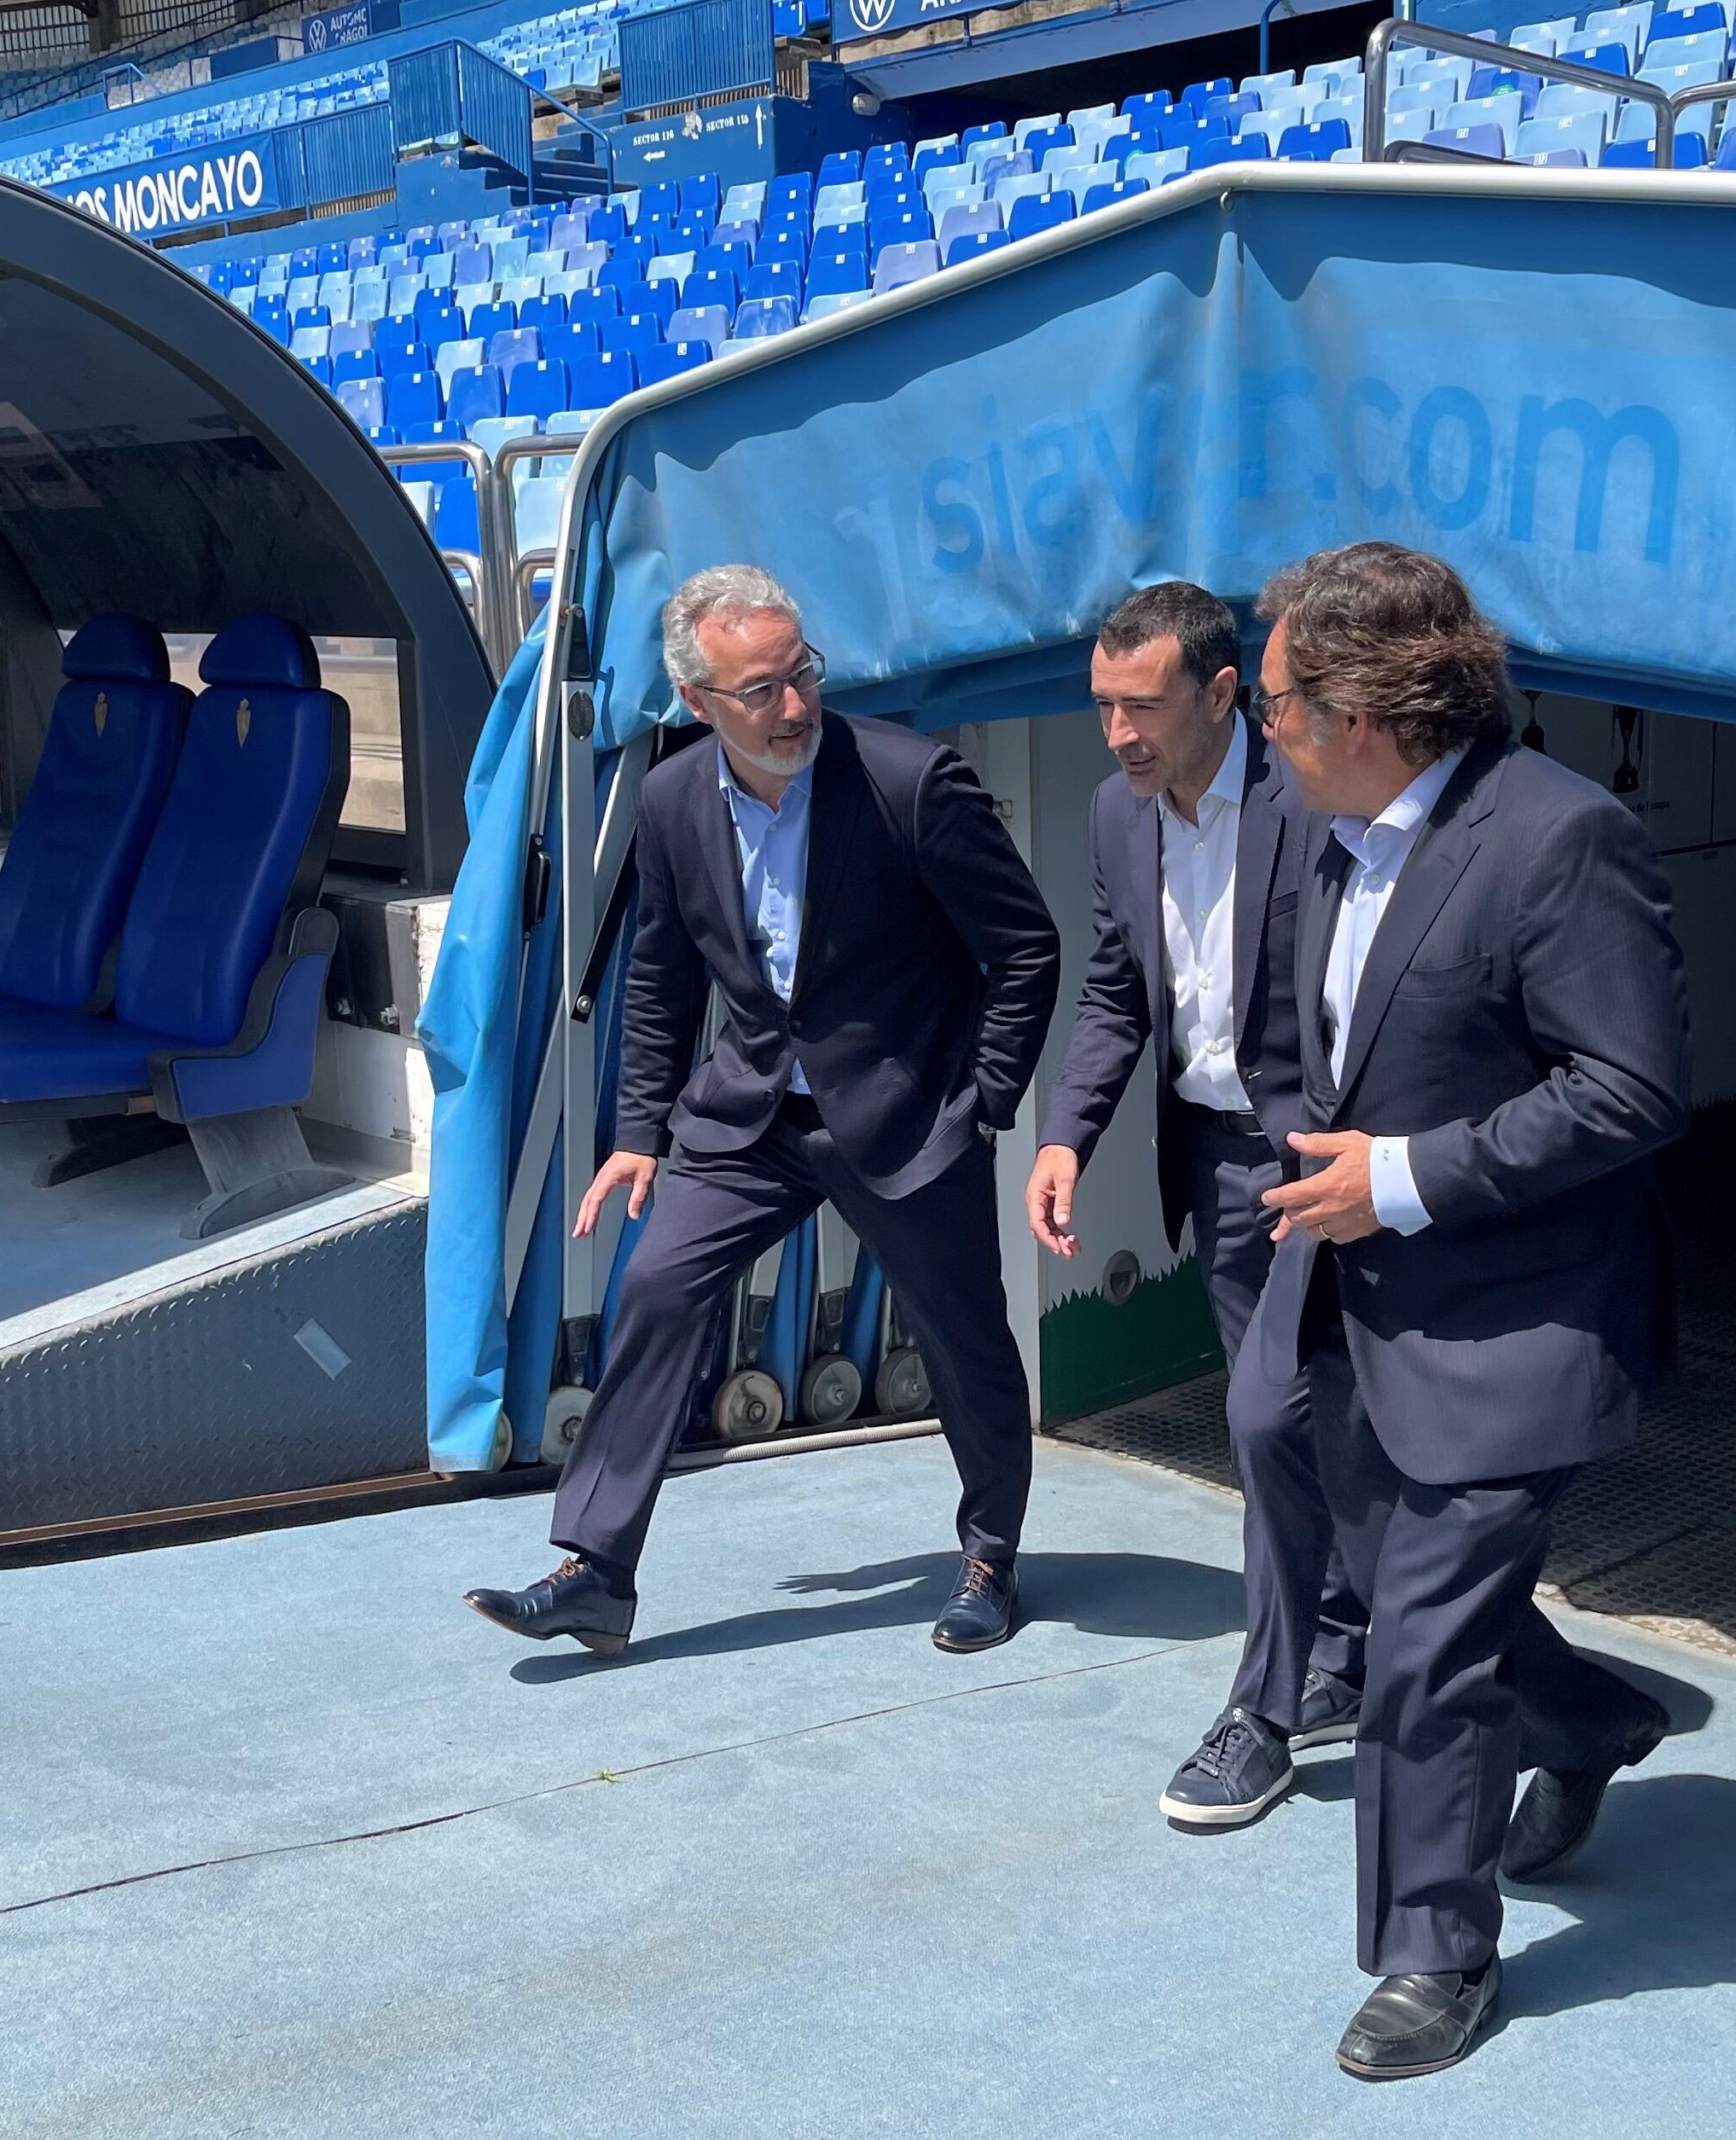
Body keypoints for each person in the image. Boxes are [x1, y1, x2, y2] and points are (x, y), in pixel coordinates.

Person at [1243, 542, 1691, 2080]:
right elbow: (1327, 1049)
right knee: (1442, 1612)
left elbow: (1629, 1087)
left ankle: (1437, 1949)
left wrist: (1411, 1178)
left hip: (1512, 1319)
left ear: (1365, 709)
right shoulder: (1328, 827)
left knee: (1419, 1649)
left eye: (1279, 700)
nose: (1262, 726)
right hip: (1356, 1303)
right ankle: (1586, 1723)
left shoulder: (1563, 842)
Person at [464, 565, 1060, 1657]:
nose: (792, 708)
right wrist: (639, 1134)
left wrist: (982, 1103)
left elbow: (1026, 949)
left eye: (802, 677)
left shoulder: (911, 782)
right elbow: (661, 979)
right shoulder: (670, 798)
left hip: (910, 1115)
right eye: (760, 691)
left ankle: (990, 1558)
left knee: (965, 1338)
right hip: (749, 1120)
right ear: (698, 702)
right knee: (653, 1288)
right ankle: (597, 1569)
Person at [1025, 582, 1371, 1831]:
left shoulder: (1311, 796)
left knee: (1274, 1416)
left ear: (1224, 694)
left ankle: (1267, 1710)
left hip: (1318, 1160)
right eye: (1103, 705)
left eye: (1143, 706)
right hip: (1214, 1169)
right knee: (1286, 1426)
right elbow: (1120, 990)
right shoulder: (1120, 816)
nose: (1118, 732)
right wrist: (1066, 1135)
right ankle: (1342, 1652)